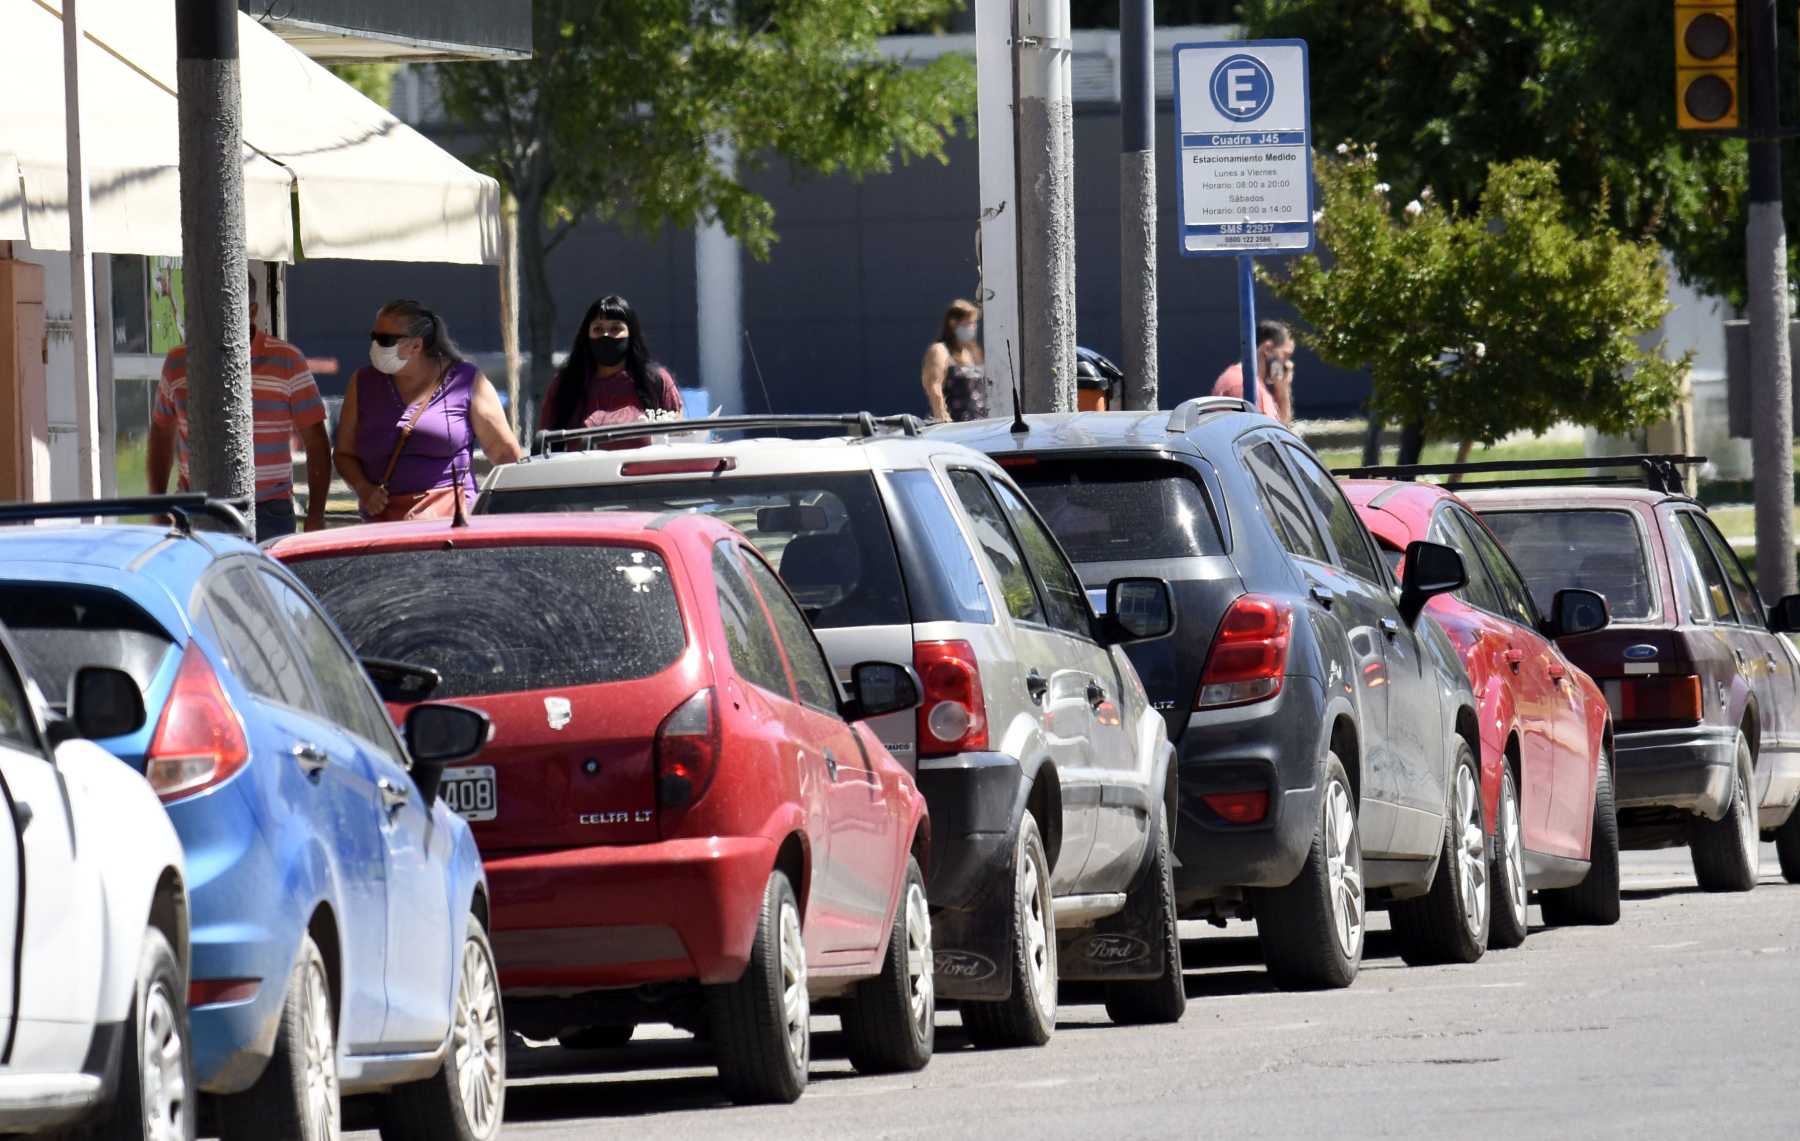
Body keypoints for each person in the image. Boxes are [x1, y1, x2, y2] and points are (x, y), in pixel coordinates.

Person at [148, 275, 330, 540]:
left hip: (268, 510)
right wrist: (157, 506)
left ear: (253, 311)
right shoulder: (177, 363)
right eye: (204, 308)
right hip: (193, 508)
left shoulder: (287, 362)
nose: (213, 318)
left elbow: (317, 442)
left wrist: (316, 516)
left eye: (226, 308)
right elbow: (162, 434)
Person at [334, 300, 522, 521]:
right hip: (384, 523)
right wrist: (363, 488)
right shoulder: (362, 382)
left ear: (416, 345)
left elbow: (505, 453)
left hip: (451, 520)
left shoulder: (465, 380)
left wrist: (514, 515)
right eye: (374, 337)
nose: (376, 345)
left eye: (385, 340)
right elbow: (344, 454)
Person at [539, 295, 683, 443]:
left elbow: (678, 438)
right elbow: (545, 442)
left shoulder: (655, 381)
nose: (606, 335)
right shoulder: (565, 384)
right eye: (598, 329)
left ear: (631, 334)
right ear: (586, 335)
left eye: (615, 328)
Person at [1212, 319, 1296, 424]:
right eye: (1285, 355)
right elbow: (1266, 436)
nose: (1289, 364)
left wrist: (1283, 389)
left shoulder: (1252, 384)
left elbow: (1280, 430)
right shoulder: (1244, 385)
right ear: (1267, 349)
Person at [921, 299, 988, 422]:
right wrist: (942, 416)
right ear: (953, 323)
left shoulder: (972, 352)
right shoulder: (940, 350)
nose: (973, 327)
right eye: (968, 323)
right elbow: (934, 386)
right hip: (955, 424)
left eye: (974, 323)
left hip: (978, 423)